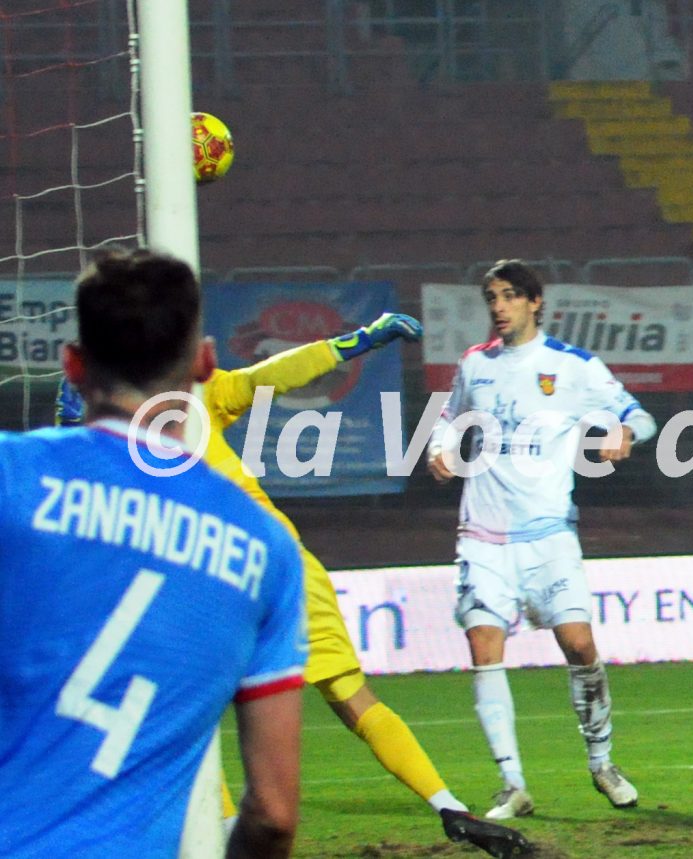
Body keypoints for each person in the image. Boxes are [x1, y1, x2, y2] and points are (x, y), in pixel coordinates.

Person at [56, 313, 531, 858]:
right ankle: (450, 808)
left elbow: (87, 506)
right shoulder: (194, 396)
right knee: (351, 698)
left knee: (183, 715)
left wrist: (74, 431)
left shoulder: (111, 446)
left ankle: (224, 839)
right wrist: (357, 342)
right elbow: (275, 374)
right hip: (281, 563)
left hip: (205, 576)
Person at [0, 249, 305, 857]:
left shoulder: (14, 476)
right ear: (205, 362)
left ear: (73, 365)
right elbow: (273, 814)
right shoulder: (264, 549)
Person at [428, 259, 656, 820]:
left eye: (509, 296)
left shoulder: (572, 366)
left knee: (578, 646)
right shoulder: (475, 364)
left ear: (535, 302)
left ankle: (602, 763)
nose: (499, 307)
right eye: (492, 298)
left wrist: (626, 431)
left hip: (549, 535)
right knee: (484, 649)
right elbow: (449, 417)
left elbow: (640, 415)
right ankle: (512, 784)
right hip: (483, 537)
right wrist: (440, 448)